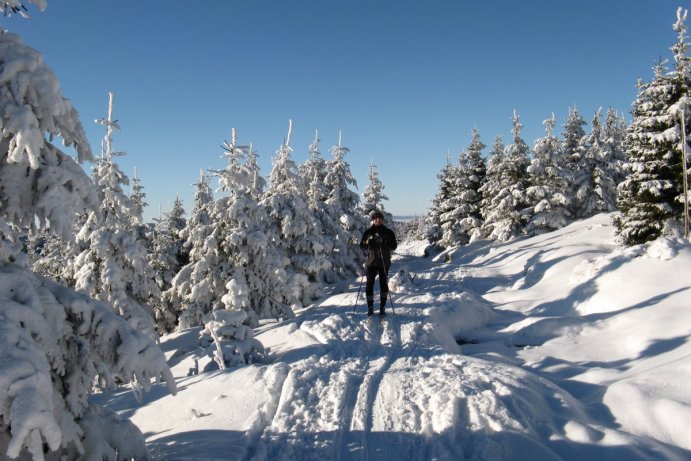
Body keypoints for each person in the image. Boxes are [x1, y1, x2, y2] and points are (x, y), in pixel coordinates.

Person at [360, 210, 398, 316]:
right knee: (369, 285)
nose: (378, 220)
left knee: (383, 284)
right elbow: (362, 246)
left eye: (380, 218)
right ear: (373, 220)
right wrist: (368, 242)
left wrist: (385, 242)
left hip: (384, 262)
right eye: (376, 218)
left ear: (382, 220)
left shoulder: (388, 232)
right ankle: (370, 307)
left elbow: (394, 246)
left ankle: (382, 307)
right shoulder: (368, 232)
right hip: (371, 262)